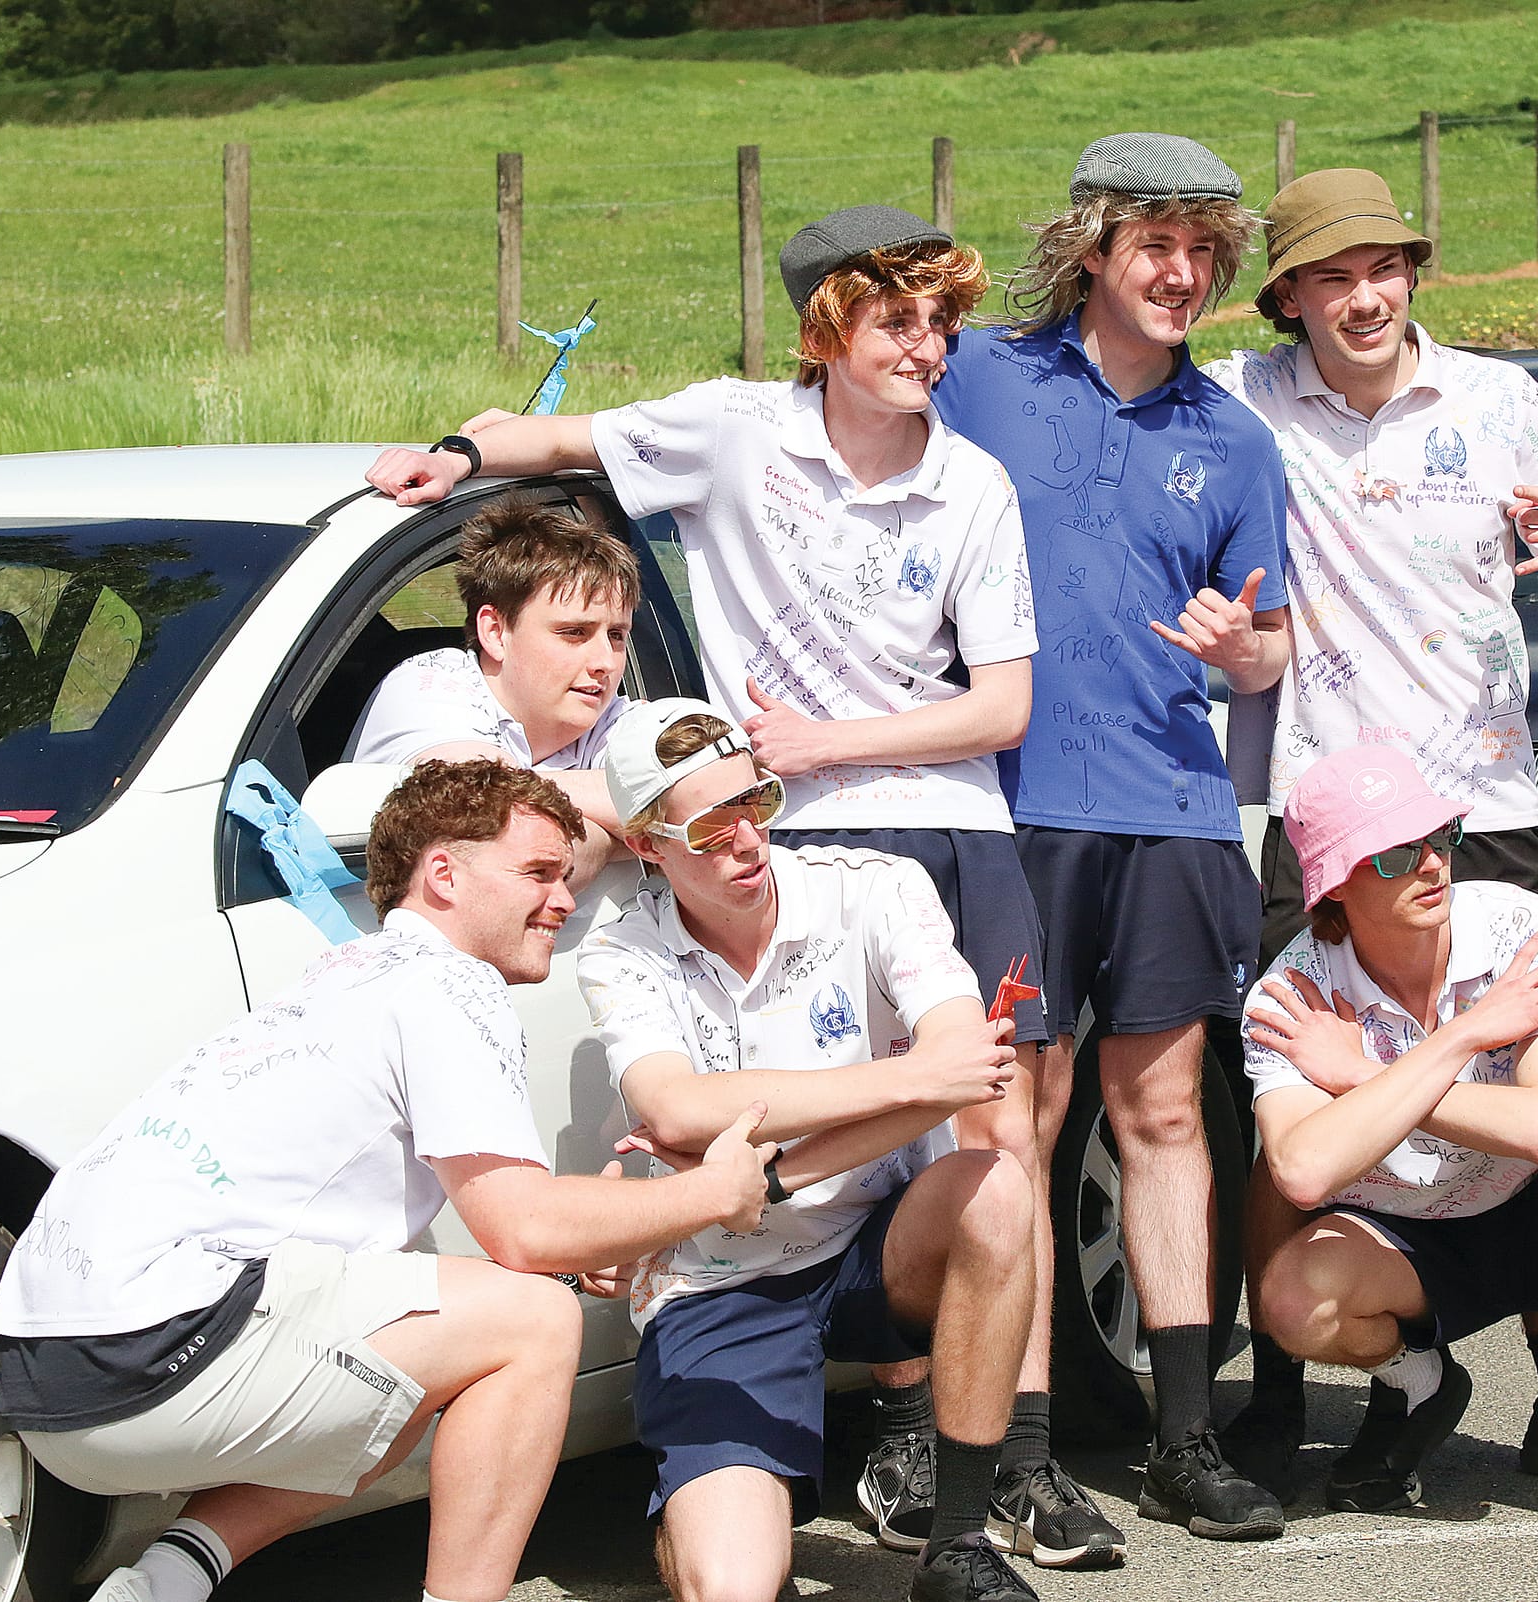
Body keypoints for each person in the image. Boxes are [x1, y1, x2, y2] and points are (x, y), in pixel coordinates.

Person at [364, 209, 1120, 1567]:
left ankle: (1015, 1457)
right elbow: (562, 438)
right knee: (882, 1115)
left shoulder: (972, 485)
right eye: (897, 321)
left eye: (942, 324)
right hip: (768, 826)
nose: (929, 348)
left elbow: (1001, 704)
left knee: (998, 1131)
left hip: (932, 820)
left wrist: (832, 739)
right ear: (827, 327)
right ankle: (892, 1425)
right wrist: (459, 453)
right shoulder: (733, 431)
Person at [1200, 168, 1538, 1507]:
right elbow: (1116, 379)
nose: (1363, 296)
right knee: (1287, 1102)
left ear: (1414, 276)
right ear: (1290, 298)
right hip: (1324, 820)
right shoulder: (1248, 400)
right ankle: (1276, 1400)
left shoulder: (1498, 400)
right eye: (1331, 276)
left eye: (1383, 268)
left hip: (1484, 806)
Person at [0, 759, 774, 1602]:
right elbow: (522, 1230)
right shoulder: (447, 984)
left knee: (419, 1362)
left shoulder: (344, 974)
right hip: (147, 1352)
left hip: (39, 1382)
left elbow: (499, 1234)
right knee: (534, 1325)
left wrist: (584, 1246)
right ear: (443, 872)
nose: (566, 900)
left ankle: (167, 1582)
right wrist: (711, 1193)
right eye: (538, 874)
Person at [929, 131, 1292, 1542]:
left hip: (1173, 810)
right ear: (1095, 245)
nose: (1185, 273)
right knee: (1013, 1114)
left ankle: (1185, 1437)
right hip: (1009, 807)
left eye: (1207, 251)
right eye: (1160, 245)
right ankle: (1015, 1451)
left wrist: (1244, 647)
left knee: (1162, 1118)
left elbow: (1268, 650)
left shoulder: (1235, 437)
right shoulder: (978, 378)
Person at [576, 699, 1042, 1602]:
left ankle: (960, 1543)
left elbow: (970, 1062)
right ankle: (705, 1514)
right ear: (647, 847)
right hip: (721, 1281)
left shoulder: (875, 885)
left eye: (759, 801)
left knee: (998, 1188)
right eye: (711, 827)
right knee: (732, 1587)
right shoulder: (621, 954)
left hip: (877, 1238)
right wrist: (909, 1082)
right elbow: (676, 1112)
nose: (747, 840)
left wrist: (773, 1168)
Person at [1240, 744, 1538, 1556]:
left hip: (1537, 1211)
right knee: (1290, 1302)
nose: (1430, 866)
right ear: (1334, 887)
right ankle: (1422, 1382)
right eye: (1393, 854)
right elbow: (1304, 1168)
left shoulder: (1531, 930)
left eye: (1441, 837)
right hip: (1401, 1240)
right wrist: (1463, 1042)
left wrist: (1362, 1073)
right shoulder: (1290, 993)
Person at [348, 494, 639, 883]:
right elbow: (503, 834)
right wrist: (628, 836)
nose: (605, 661)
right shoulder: (427, 686)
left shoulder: (611, 716)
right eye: (574, 633)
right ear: (495, 632)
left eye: (617, 635)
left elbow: (709, 796)